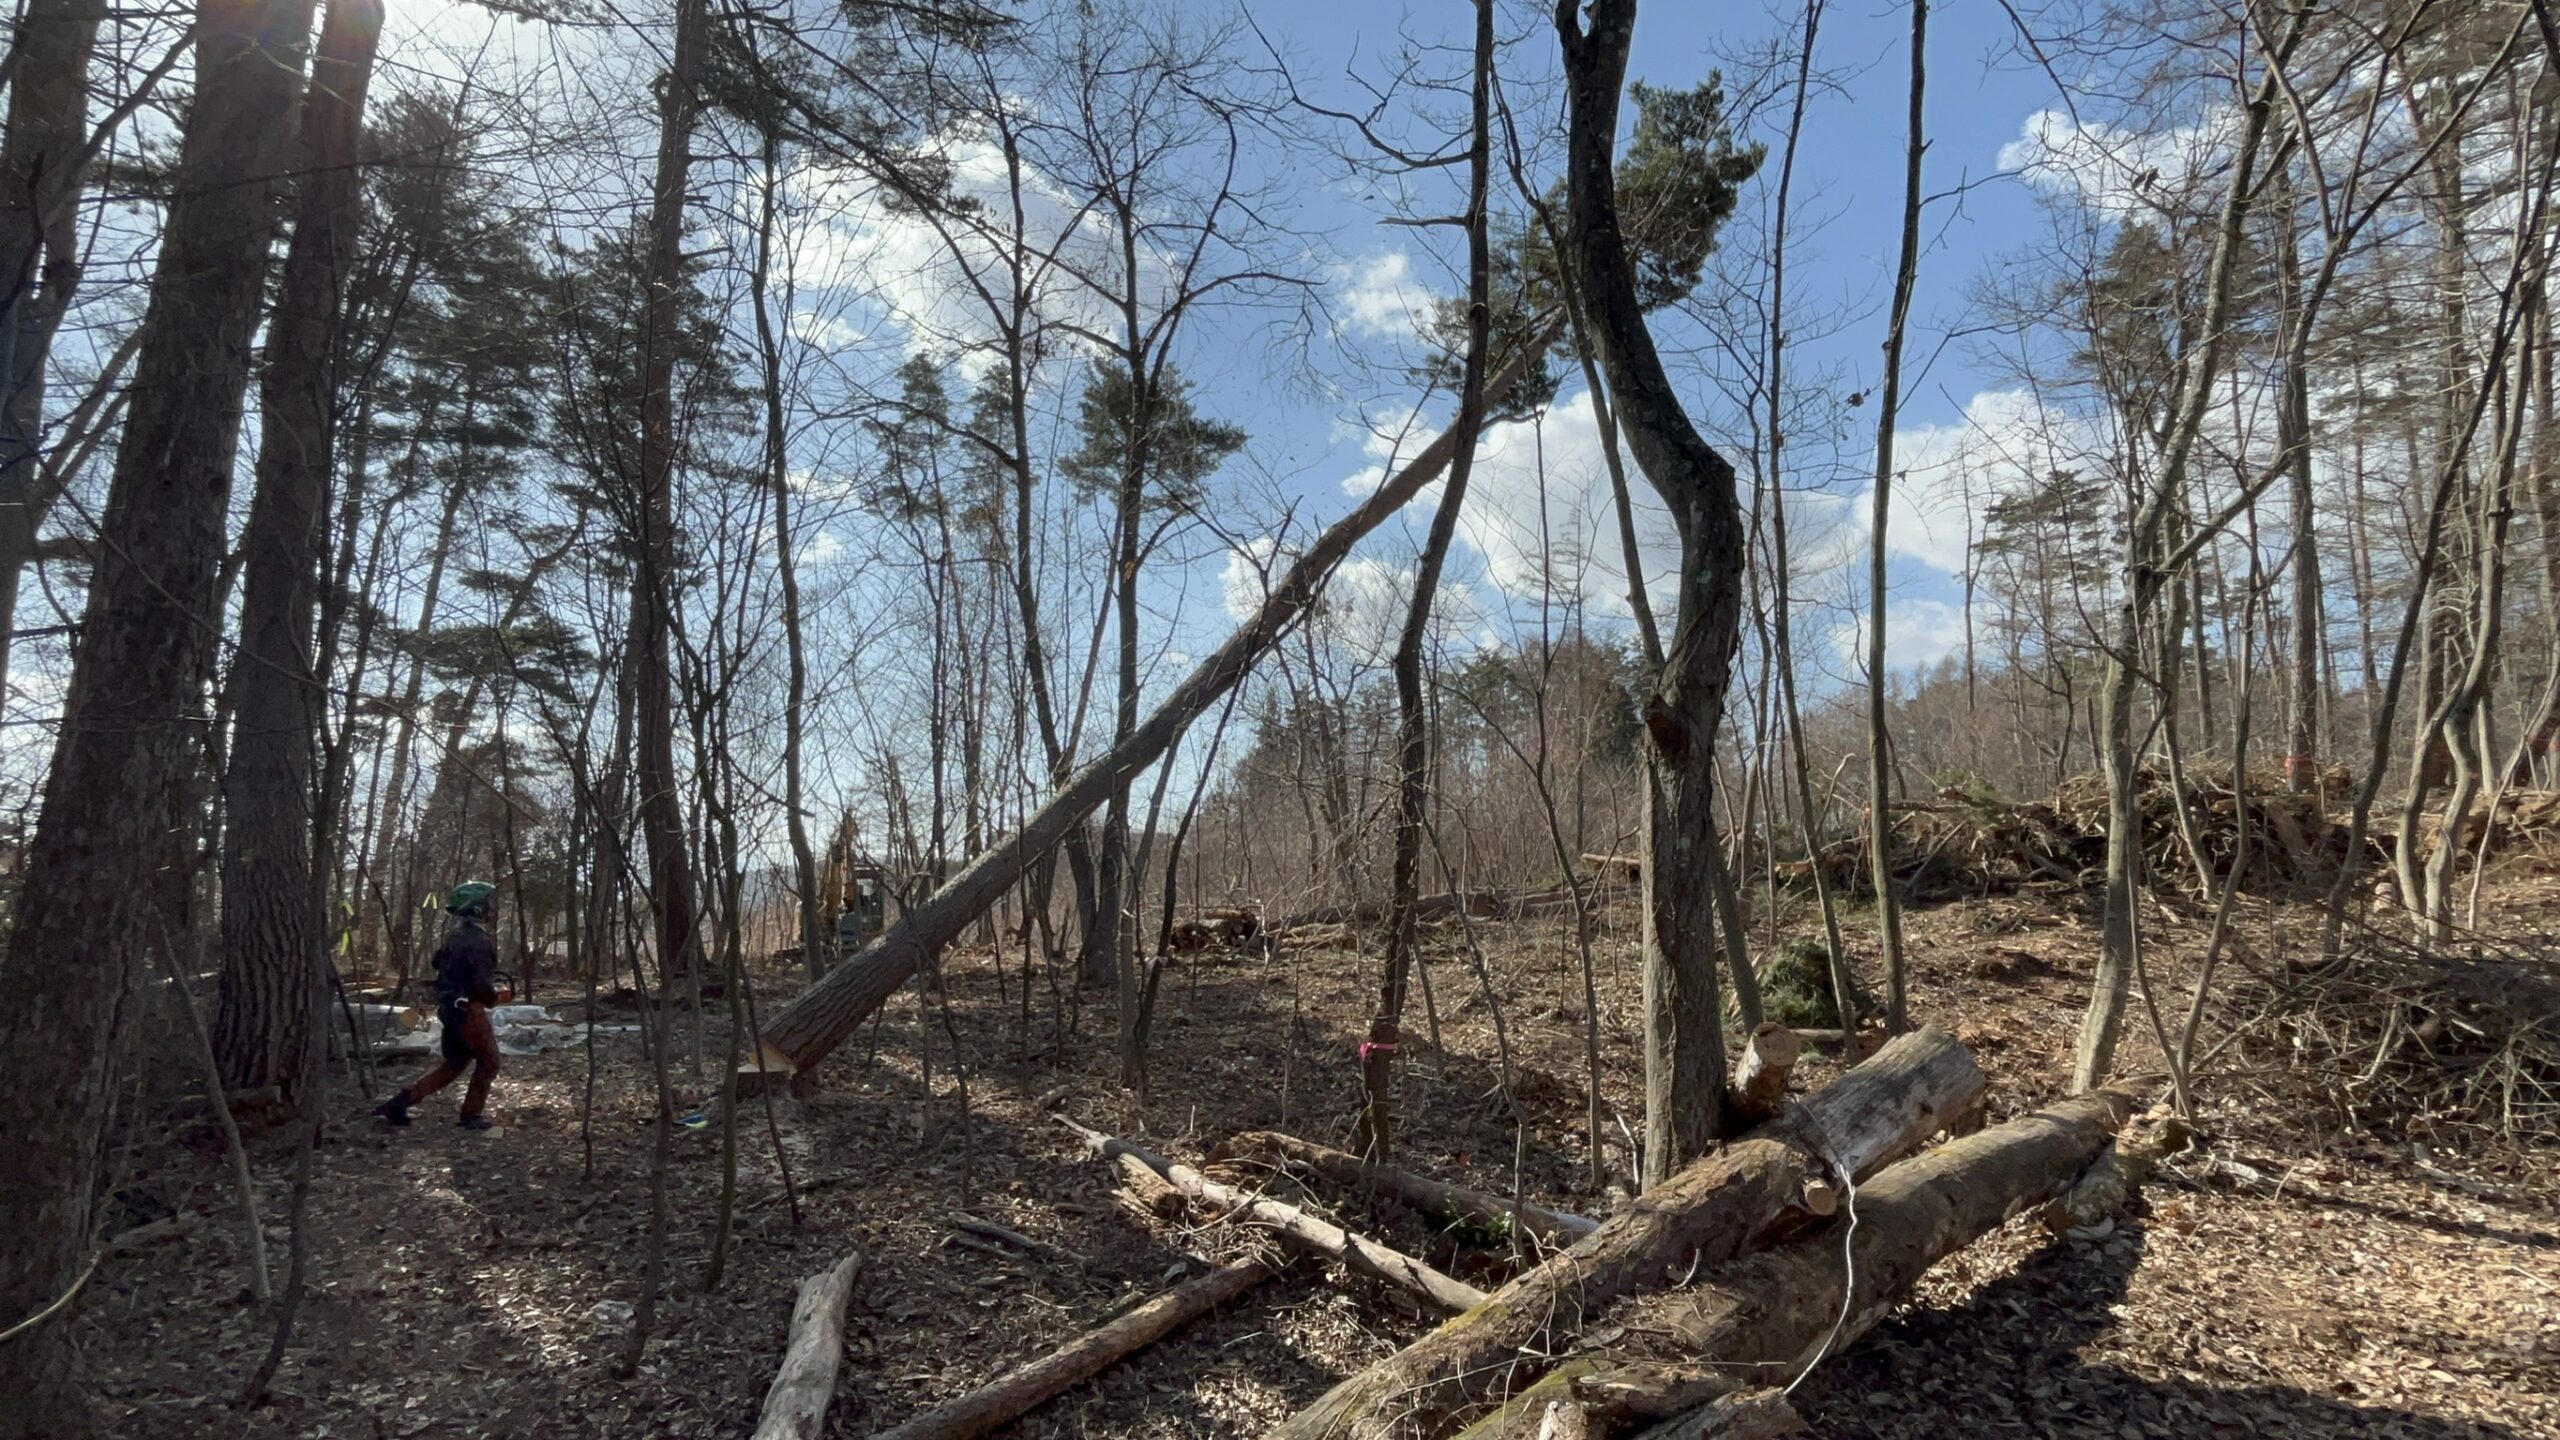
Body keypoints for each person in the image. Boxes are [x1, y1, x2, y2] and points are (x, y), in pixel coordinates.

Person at [378, 881, 504, 1131]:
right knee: (489, 1062)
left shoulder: (454, 936)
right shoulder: (479, 941)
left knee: (455, 1064)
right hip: (469, 1012)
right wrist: (492, 997)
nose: (493, 909)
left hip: (449, 1009)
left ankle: (401, 1102)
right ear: (476, 908)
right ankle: (471, 1115)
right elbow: (480, 983)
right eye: (488, 904)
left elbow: (438, 964)